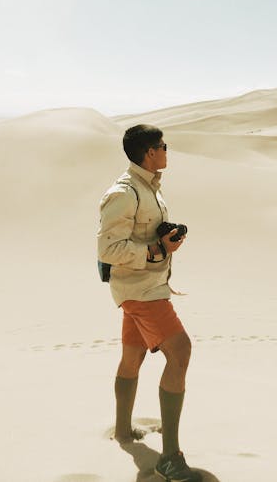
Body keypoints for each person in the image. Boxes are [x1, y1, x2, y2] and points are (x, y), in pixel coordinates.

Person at [97, 124, 201, 482]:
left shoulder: (149, 188)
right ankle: (170, 458)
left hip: (146, 285)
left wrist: (162, 237)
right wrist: (158, 249)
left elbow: (136, 235)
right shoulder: (124, 193)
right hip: (140, 290)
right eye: (163, 146)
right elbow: (107, 250)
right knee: (181, 350)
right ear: (149, 152)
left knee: (132, 356)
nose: (167, 150)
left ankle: (124, 432)